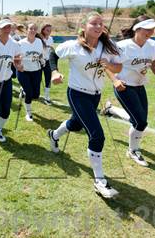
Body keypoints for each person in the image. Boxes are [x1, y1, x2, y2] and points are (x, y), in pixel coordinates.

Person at [47, 12, 123, 198]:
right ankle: (100, 181)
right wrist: (55, 73)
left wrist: (109, 66)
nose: (98, 27)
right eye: (93, 23)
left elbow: (118, 67)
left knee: (76, 124)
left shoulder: (107, 46)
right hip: (77, 94)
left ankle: (54, 135)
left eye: (101, 24)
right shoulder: (73, 46)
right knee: (97, 135)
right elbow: (52, 54)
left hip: (95, 96)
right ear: (83, 27)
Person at [113, 15, 155, 167]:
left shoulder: (152, 45)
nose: (151, 32)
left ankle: (111, 110)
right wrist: (115, 80)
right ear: (137, 29)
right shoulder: (122, 46)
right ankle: (133, 150)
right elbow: (108, 64)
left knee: (139, 120)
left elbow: (154, 62)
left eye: (152, 29)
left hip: (140, 86)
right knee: (140, 121)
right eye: (147, 29)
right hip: (124, 86)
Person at [17, 23, 45, 121]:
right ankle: (28, 114)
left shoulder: (39, 41)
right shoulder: (20, 43)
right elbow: (15, 57)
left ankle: (23, 91)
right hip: (23, 71)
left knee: (36, 95)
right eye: (30, 28)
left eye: (35, 29)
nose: (33, 30)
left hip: (36, 70)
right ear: (26, 30)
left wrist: (42, 60)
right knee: (29, 93)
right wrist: (18, 64)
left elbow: (40, 54)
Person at [40, 23, 54, 105]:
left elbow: (51, 49)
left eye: (50, 30)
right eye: (47, 30)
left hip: (48, 61)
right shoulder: (38, 39)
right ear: (43, 30)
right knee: (36, 79)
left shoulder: (51, 39)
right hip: (39, 61)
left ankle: (47, 96)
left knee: (48, 79)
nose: (49, 32)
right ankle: (23, 89)